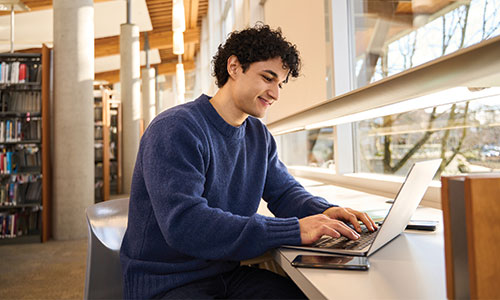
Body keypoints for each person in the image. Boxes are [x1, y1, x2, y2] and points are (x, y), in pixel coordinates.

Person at [120, 23, 377, 299]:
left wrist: (326, 212)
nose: (276, 93)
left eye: (280, 83)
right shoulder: (175, 128)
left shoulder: (258, 135)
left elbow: (285, 193)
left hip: (224, 274)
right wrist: (294, 229)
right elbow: (185, 224)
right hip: (168, 283)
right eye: (268, 78)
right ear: (234, 67)